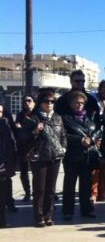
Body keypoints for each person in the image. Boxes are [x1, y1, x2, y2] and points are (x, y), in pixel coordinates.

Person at [23, 89, 67, 227]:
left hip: (55, 156)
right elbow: (24, 138)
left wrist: (64, 148)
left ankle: (49, 215)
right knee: (39, 189)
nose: (49, 104)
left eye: (52, 101)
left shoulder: (58, 117)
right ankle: (39, 216)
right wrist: (35, 131)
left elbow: (63, 135)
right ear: (40, 103)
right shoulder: (33, 117)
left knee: (51, 189)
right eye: (46, 101)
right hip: (39, 157)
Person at [60, 91, 101, 220]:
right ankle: (68, 211)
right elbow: (63, 135)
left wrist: (92, 139)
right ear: (71, 103)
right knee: (69, 184)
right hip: (72, 155)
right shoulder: (64, 117)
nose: (79, 105)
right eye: (76, 102)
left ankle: (86, 209)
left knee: (85, 184)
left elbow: (98, 130)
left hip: (87, 155)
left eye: (82, 103)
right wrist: (80, 140)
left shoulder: (89, 116)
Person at [90, 80, 105, 203]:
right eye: (104, 90)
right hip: (96, 137)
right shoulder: (92, 100)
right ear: (99, 89)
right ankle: (94, 192)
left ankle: (103, 192)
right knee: (95, 167)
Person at [14, 94, 37, 202]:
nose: (26, 103)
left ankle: (38, 191)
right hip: (23, 147)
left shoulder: (37, 114)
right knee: (23, 172)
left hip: (35, 147)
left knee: (37, 172)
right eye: (24, 101)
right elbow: (16, 128)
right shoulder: (20, 115)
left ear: (34, 102)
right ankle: (27, 192)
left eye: (29, 100)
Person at [0, 104, 17, 228]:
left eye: (0, 112)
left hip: (2, 164)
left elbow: (11, 144)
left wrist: (10, 163)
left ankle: (2, 221)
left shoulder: (5, 124)